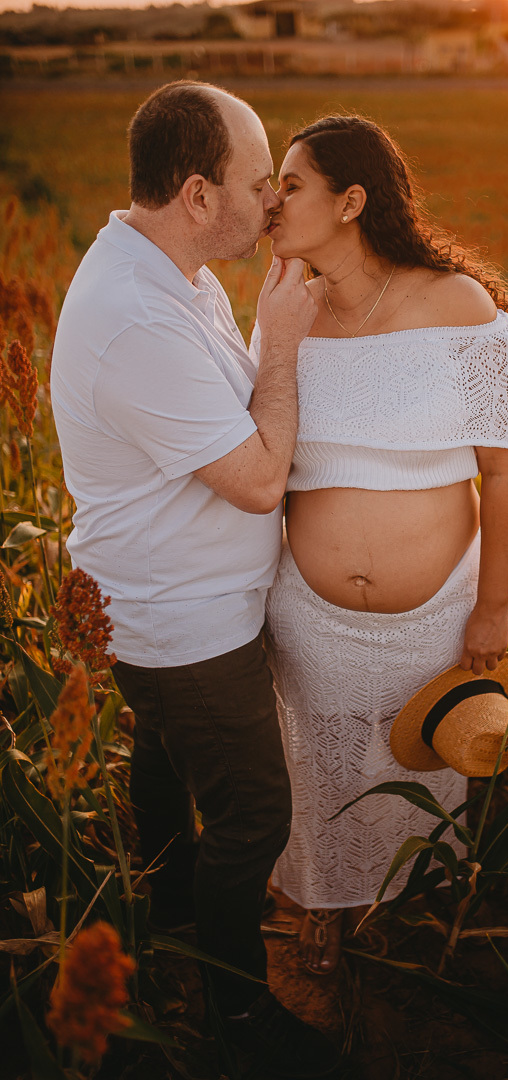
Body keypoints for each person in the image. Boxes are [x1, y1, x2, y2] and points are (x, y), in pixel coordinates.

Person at [50, 82, 340, 1078]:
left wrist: (268, 338)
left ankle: (164, 930)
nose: (274, 201)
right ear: (197, 194)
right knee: (255, 808)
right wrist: (289, 345)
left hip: (167, 610)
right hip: (186, 629)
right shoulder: (140, 319)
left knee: (168, 777)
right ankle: (239, 1017)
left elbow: (228, 419)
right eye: (258, 184)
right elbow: (258, 479)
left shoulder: (176, 273)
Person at [256, 115, 508, 975]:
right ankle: (317, 919)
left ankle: (398, 917)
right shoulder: (284, 317)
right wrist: (273, 335)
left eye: (290, 184)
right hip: (309, 616)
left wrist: (492, 607)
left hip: (435, 616)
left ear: (351, 201)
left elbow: (506, 470)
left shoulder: (457, 306)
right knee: (316, 772)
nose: (271, 200)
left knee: (408, 773)